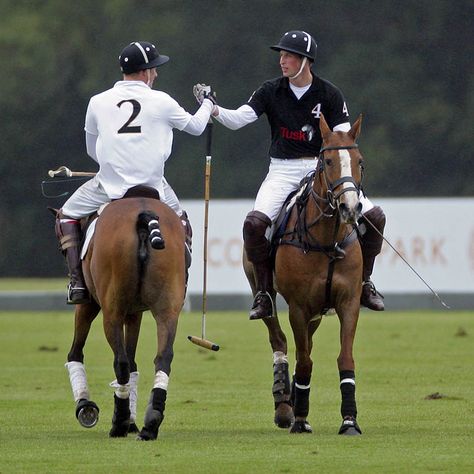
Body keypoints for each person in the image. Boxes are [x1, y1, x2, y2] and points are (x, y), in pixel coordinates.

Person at [193, 30, 385, 319]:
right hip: (282, 171)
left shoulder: (329, 93)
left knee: (376, 218)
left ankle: (365, 283)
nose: (282, 61)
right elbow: (240, 119)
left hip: (321, 169)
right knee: (254, 225)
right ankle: (264, 293)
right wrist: (213, 109)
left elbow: (343, 136)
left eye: (289, 56)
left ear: (305, 61)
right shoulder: (271, 90)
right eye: (281, 55)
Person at [56, 41, 216, 304]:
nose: (156, 74)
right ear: (145, 72)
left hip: (109, 184)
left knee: (67, 216)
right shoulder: (162, 100)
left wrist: (112, 166)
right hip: (155, 186)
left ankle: (77, 283)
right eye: (154, 69)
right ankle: (180, 282)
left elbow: (91, 149)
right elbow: (197, 127)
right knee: (182, 222)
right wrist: (208, 104)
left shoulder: (97, 102)